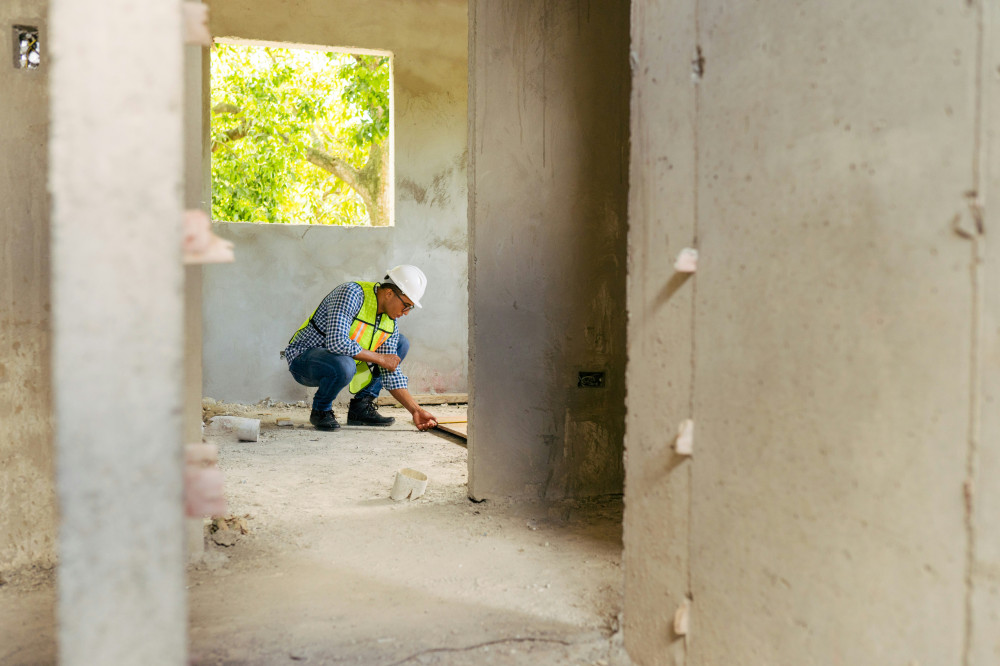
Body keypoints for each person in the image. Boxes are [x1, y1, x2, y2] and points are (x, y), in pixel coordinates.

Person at [283, 265, 439, 432]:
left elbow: (390, 371)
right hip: (305, 359)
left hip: (345, 359)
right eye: (406, 305)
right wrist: (380, 358)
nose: (406, 312)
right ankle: (321, 410)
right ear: (389, 293)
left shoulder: (390, 322)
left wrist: (416, 411)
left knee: (401, 343)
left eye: (410, 307)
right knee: (345, 364)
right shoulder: (351, 294)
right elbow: (337, 343)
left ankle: (361, 408)